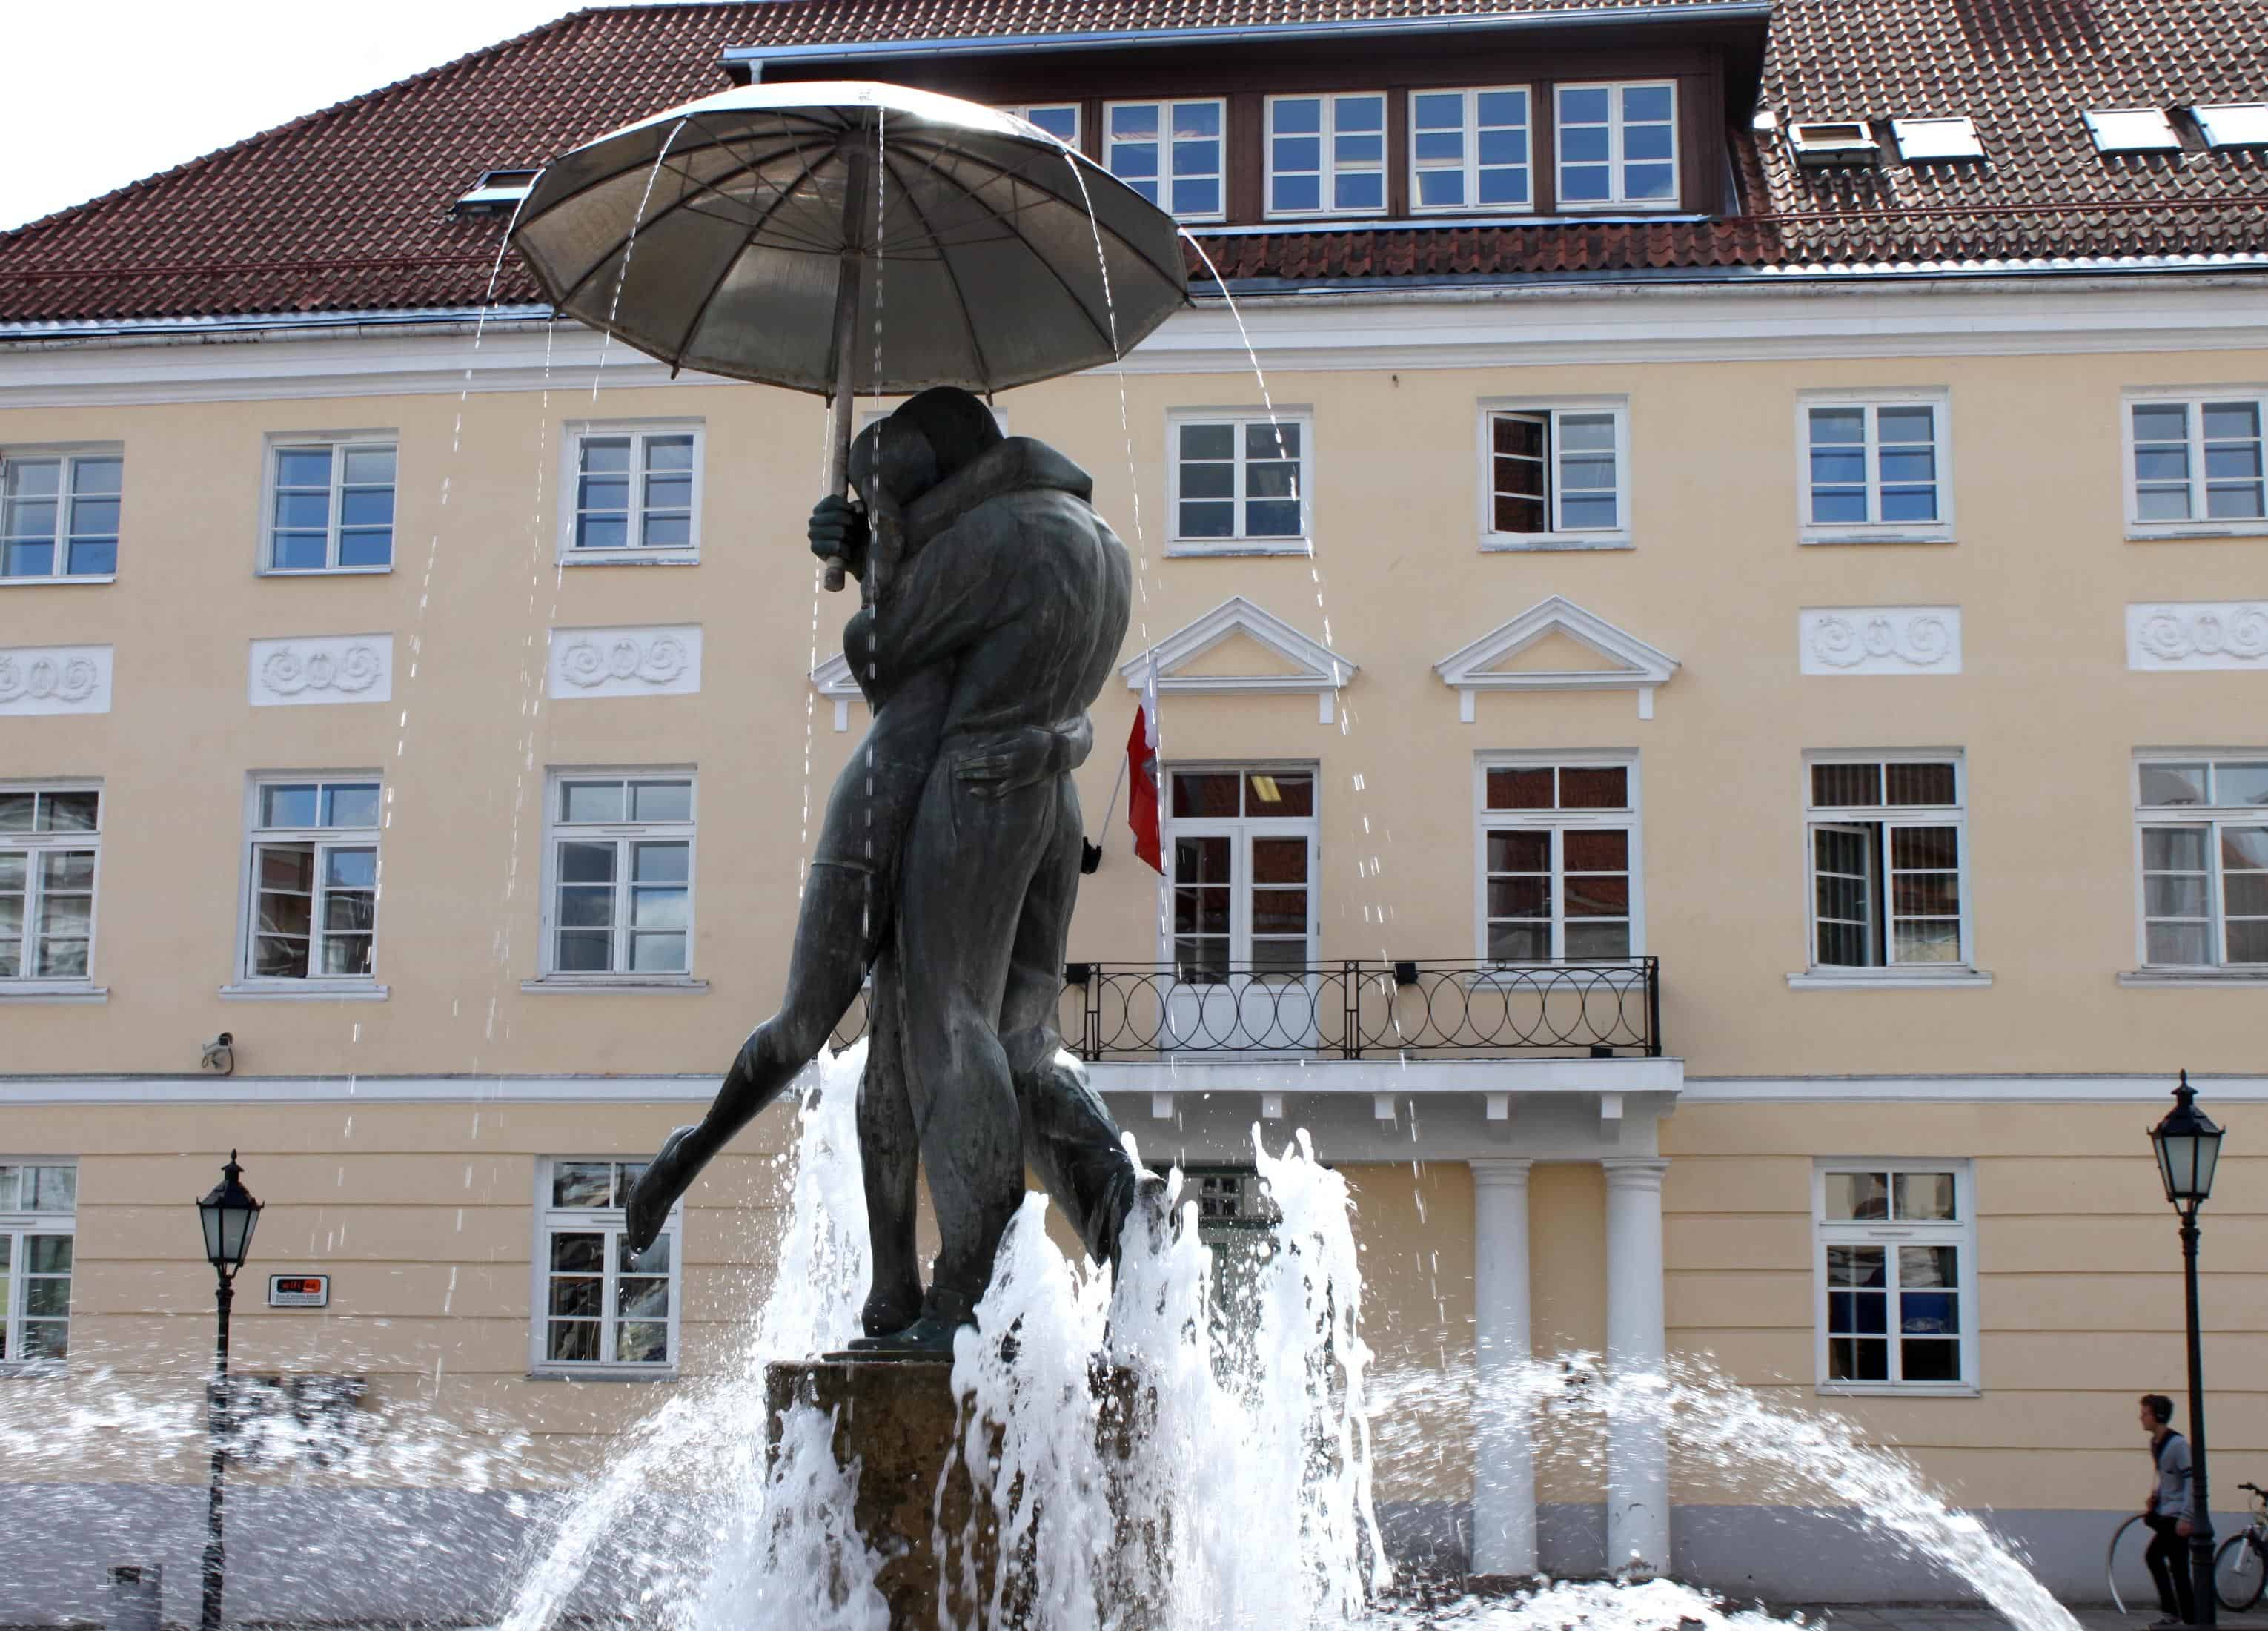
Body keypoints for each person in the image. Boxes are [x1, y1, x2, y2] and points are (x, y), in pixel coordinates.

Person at [620, 391, 1085, 1289]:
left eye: (882, 491)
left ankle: (898, 1286)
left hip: (949, 805)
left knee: (910, 1035)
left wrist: (881, 559)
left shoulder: (971, 553)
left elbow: (902, 655)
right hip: (885, 801)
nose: (874, 507)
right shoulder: (961, 554)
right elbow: (890, 671)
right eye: (867, 496)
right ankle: (692, 1155)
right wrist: (871, 558)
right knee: (809, 1022)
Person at [2141, 1392, 2199, 1627]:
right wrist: (2157, 1497)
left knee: (2156, 1557)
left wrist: (2187, 1517)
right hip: (2167, 1513)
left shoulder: (2177, 1445)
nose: (2141, 1418)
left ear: (2158, 1416)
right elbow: (2169, 1479)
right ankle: (2188, 1616)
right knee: (2177, 1566)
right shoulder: (2156, 1444)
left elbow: (2192, 1480)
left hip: (2176, 1517)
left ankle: (2176, 1613)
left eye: (2145, 1414)